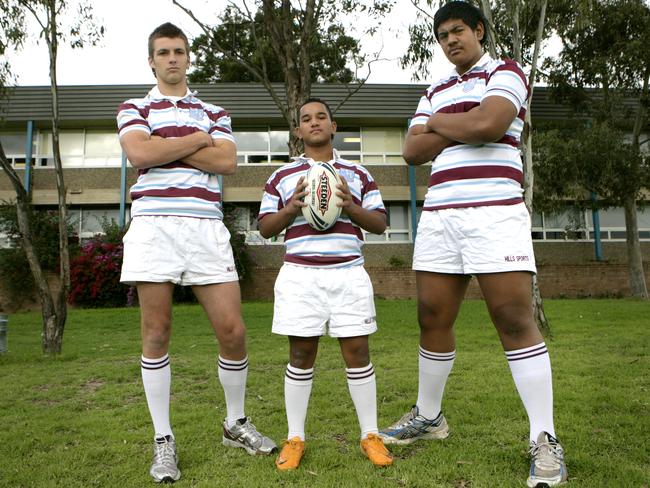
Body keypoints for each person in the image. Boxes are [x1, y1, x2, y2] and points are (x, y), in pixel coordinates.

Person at [377, 3, 567, 487]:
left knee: (512, 319)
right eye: (442, 36)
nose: (450, 41)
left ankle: (544, 438)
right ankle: (430, 416)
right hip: (440, 216)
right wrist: (457, 120)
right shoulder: (435, 89)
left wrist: (439, 124)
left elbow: (490, 125)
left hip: (493, 213)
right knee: (432, 317)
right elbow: (412, 151)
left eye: (457, 31)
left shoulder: (507, 71)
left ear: (478, 30)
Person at [116, 22, 276, 483]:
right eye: (163, 52)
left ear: (189, 58)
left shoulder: (215, 110)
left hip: (206, 227)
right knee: (157, 332)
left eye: (179, 51)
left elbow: (226, 163)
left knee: (233, 331)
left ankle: (235, 422)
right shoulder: (134, 106)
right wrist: (196, 142)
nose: (171, 58)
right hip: (154, 228)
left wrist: (163, 149)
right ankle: (164, 440)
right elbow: (138, 155)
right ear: (151, 60)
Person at [257, 98, 393, 471]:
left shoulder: (358, 174)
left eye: (321, 117)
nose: (314, 123)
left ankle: (370, 435)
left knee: (358, 353)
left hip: (348, 273)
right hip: (300, 276)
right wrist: (290, 208)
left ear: (334, 126)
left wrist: (349, 206)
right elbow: (265, 229)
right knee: (300, 355)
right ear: (297, 131)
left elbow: (381, 224)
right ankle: (295, 437)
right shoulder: (281, 176)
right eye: (306, 119)